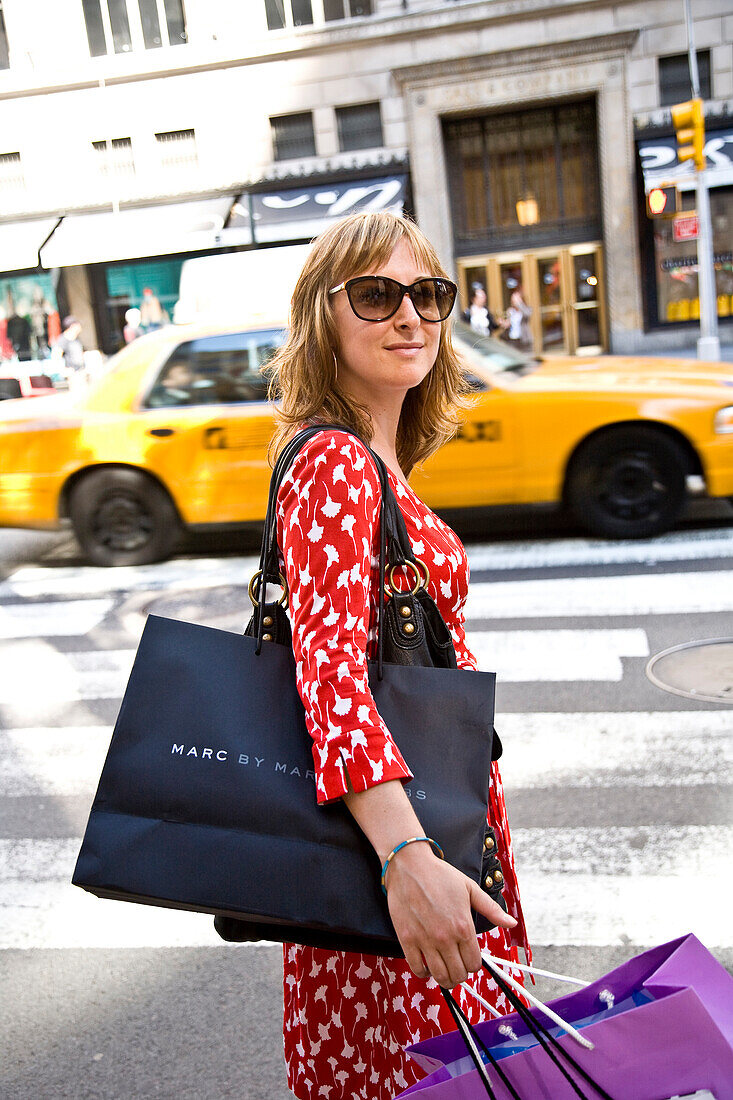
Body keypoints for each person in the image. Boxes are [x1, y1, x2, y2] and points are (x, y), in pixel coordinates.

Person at [267, 212, 530, 1100]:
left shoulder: (378, 457)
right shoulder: (337, 462)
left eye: (428, 295)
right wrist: (406, 862)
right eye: (375, 296)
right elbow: (330, 678)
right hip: (398, 854)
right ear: (322, 317)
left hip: (416, 839)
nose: (408, 316)